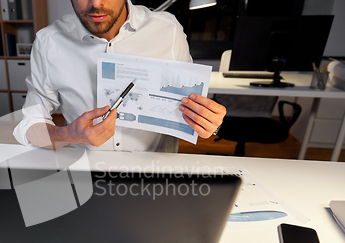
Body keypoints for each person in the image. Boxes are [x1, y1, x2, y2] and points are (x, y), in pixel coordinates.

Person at [13, 0, 226, 152]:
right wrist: (68, 134)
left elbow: (190, 108)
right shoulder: (49, 42)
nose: (95, 4)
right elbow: (28, 127)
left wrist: (209, 123)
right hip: (86, 176)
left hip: (155, 179)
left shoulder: (168, 31)